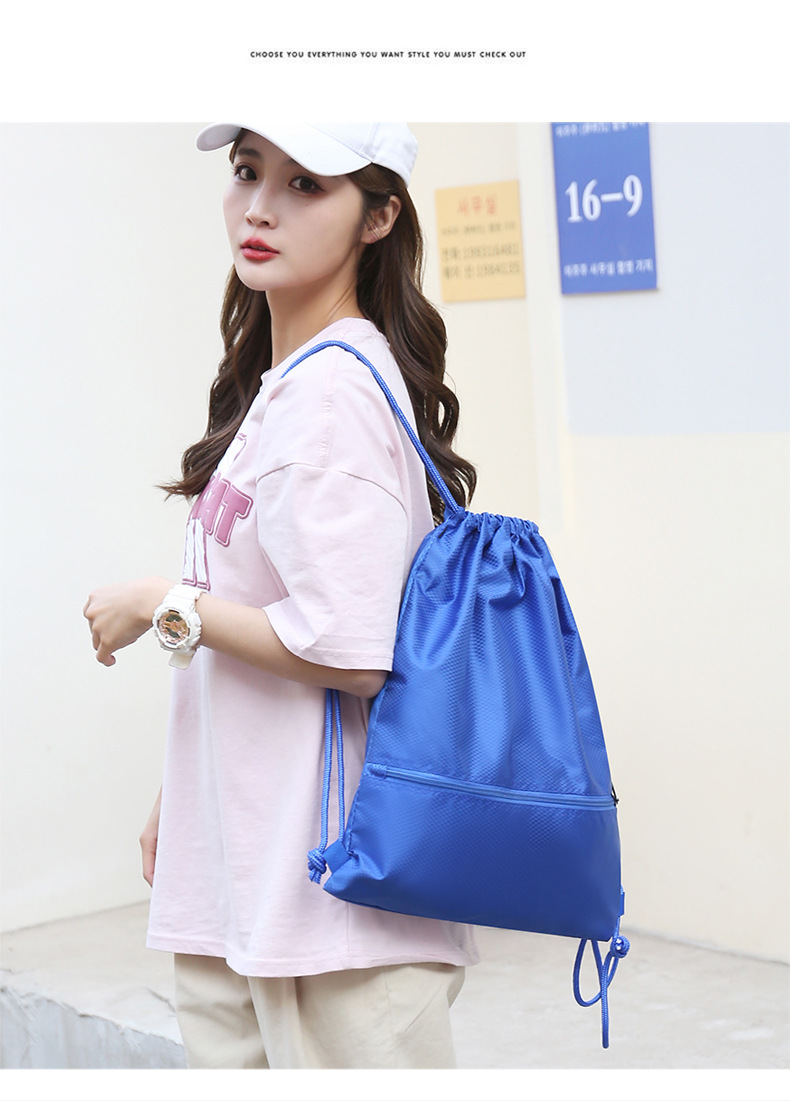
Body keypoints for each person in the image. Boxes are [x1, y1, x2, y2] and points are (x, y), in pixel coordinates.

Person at [83, 122, 478, 1070]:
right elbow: (263, 616)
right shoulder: (288, 385)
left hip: (330, 909)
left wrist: (161, 601)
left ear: (378, 217)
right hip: (253, 882)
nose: (259, 207)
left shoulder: (331, 396)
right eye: (248, 172)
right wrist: (186, 793)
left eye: (306, 184)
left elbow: (349, 648)